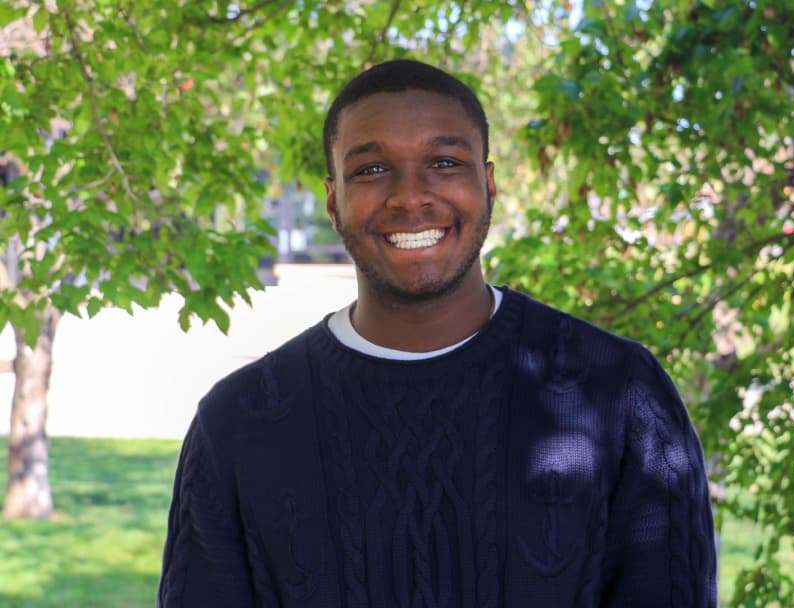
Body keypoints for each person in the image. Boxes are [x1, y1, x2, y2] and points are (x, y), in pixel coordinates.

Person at [158, 59, 717, 607]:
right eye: (372, 170)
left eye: (444, 162)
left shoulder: (620, 395)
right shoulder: (238, 422)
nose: (410, 196)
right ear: (333, 201)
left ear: (488, 183)